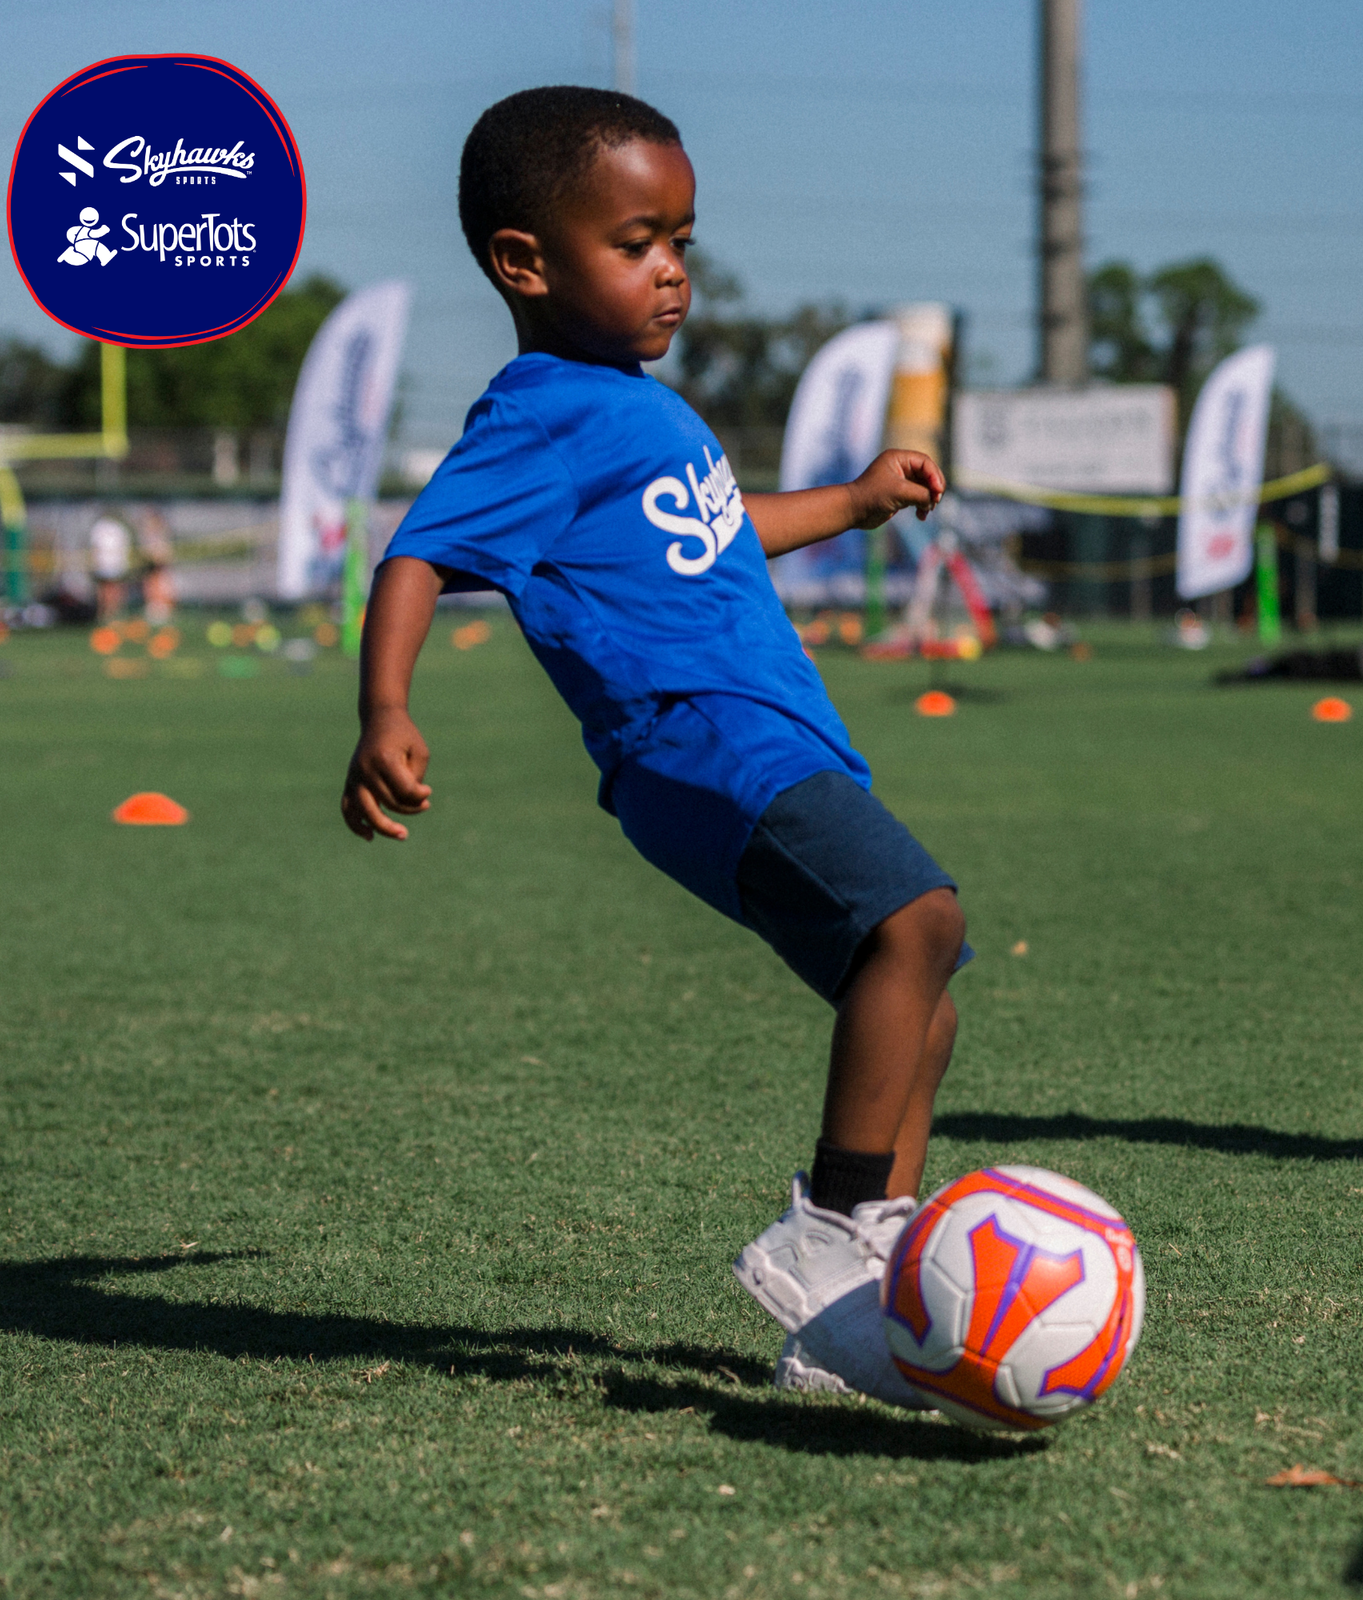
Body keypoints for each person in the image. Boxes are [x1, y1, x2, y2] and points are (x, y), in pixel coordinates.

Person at [340, 88, 969, 1407]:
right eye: (638, 242)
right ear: (526, 263)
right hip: (697, 744)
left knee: (926, 984)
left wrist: (853, 501)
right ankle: (835, 1231)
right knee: (914, 919)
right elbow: (416, 556)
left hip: (776, 738)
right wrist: (386, 711)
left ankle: (862, 1302)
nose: (674, 271)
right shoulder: (542, 410)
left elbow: (720, 537)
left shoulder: (638, 408)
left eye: (683, 238)